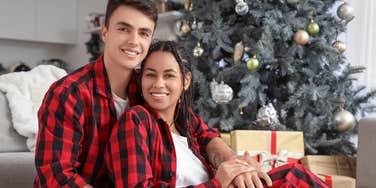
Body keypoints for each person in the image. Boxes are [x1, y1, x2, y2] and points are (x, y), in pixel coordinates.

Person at [34, 0, 271, 187]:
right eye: (124, 29)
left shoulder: (149, 87)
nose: (134, 41)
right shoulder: (69, 94)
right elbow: (55, 176)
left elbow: (201, 132)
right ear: (105, 32)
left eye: (144, 33)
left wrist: (235, 164)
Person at [105, 41, 272, 187]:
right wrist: (216, 184)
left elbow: (210, 138)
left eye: (169, 75)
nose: (158, 84)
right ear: (141, 79)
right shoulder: (136, 120)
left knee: (292, 173)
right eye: (150, 75)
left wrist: (238, 165)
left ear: (185, 81)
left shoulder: (185, 121)